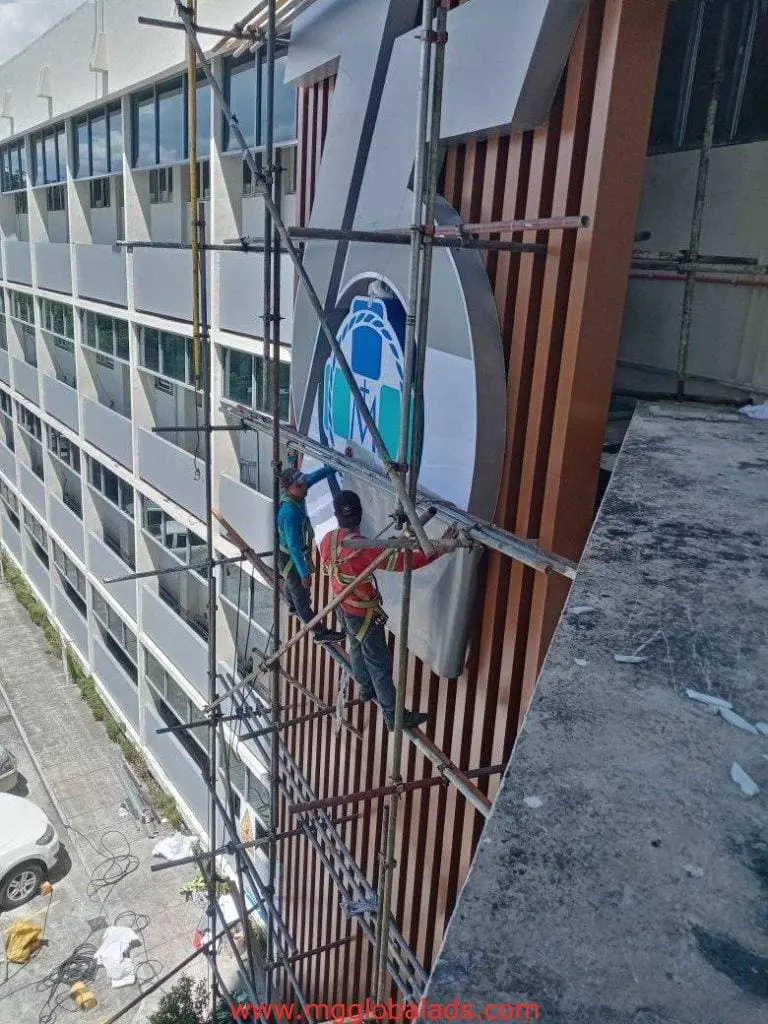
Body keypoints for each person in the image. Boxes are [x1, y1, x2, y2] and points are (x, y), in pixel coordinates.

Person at [319, 489, 461, 730]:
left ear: (336, 515)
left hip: (343, 606)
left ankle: (365, 687)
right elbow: (408, 562)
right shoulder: (363, 549)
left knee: (356, 646)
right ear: (360, 514)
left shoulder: (327, 540)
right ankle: (393, 715)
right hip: (361, 612)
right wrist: (440, 550)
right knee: (379, 663)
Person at [277, 466, 345, 645]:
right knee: (302, 597)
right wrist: (304, 573)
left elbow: (315, 476)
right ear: (289, 488)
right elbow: (294, 548)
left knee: (291, 585)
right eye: (300, 486)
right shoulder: (289, 513)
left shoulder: (299, 489)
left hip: (290, 552)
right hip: (290, 556)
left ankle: (292, 604)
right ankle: (320, 632)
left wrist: (333, 466)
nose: (304, 487)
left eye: (303, 483)